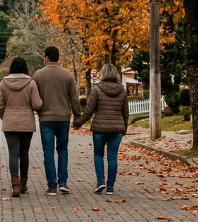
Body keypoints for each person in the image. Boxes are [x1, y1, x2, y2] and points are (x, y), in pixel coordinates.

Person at [72, 63, 129, 195]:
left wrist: (77, 123)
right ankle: (110, 187)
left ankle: (100, 181)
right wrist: (124, 128)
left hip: (100, 129)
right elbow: (125, 113)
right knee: (112, 157)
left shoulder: (97, 89)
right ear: (115, 74)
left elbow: (88, 111)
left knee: (98, 154)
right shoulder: (122, 91)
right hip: (116, 130)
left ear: (102, 74)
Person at [32, 46, 81, 196]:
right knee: (62, 150)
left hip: (46, 118)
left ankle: (52, 186)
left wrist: (37, 110)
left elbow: (33, 96)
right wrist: (77, 116)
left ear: (46, 58)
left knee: (48, 152)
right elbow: (74, 97)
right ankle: (63, 183)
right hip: (63, 118)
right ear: (58, 57)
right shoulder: (67, 75)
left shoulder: (38, 75)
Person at [0, 57, 43, 198]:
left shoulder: (3, 83)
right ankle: (23, 185)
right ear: (26, 67)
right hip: (26, 123)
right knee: (24, 154)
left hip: (10, 123)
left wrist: (5, 116)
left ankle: (15, 186)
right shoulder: (31, 83)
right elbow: (37, 105)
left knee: (13, 154)